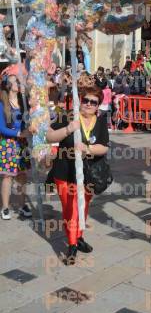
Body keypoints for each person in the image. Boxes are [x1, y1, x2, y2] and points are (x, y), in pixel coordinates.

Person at [46, 87, 109, 265]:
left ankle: (76, 240)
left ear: (98, 105)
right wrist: (68, 129)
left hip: (89, 174)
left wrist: (87, 149)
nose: (88, 104)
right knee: (69, 209)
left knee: (82, 207)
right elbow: (49, 136)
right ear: (80, 100)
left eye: (93, 102)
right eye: (86, 100)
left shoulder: (101, 122)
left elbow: (104, 147)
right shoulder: (68, 116)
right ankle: (74, 241)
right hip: (64, 172)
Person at [0, 75, 32, 220]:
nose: (19, 83)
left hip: (22, 143)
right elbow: (1, 128)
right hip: (8, 143)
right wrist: (17, 132)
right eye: (16, 81)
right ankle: (5, 207)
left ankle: (22, 205)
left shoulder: (23, 101)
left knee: (22, 176)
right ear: (8, 85)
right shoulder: (2, 104)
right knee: (7, 176)